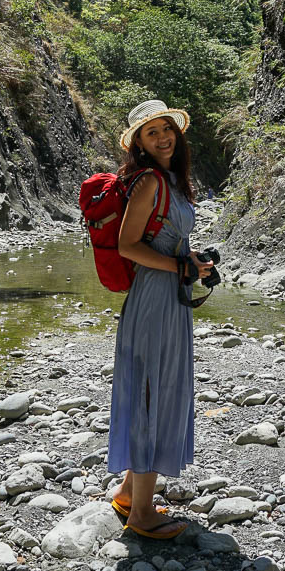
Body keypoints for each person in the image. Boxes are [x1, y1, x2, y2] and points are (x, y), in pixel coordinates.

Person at [106, 98, 215, 539]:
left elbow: (158, 240)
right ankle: (142, 517)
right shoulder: (150, 179)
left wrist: (189, 261)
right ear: (140, 144)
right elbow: (127, 245)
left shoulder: (171, 179)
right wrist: (179, 268)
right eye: (151, 133)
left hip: (169, 294)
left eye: (167, 128)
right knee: (154, 389)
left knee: (156, 384)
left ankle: (131, 493)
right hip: (156, 298)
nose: (163, 137)